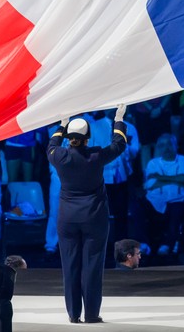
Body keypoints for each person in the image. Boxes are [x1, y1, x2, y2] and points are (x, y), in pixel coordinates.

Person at [47, 105, 129, 324]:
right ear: (88, 137)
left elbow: (52, 144)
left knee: (70, 266)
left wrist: (62, 125)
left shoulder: (59, 156)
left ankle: (74, 314)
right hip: (94, 217)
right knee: (92, 266)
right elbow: (119, 144)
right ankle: (92, 314)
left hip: (68, 219)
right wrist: (118, 119)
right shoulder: (96, 156)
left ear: (69, 138)